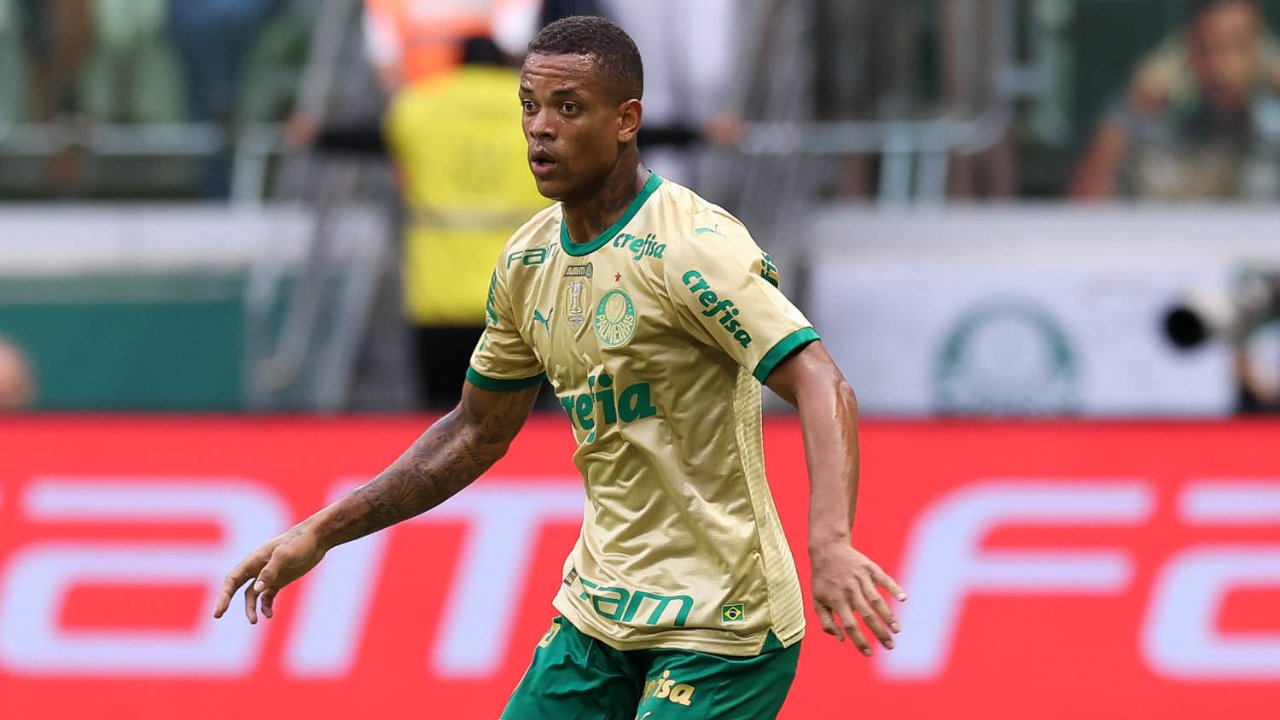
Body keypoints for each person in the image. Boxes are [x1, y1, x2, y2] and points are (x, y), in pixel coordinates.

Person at [215, 16, 904, 718]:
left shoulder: (692, 249)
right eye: (530, 106)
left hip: (722, 625)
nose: (540, 128)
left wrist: (830, 541)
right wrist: (321, 531)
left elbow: (821, 381)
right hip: (597, 616)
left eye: (568, 108)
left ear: (627, 120)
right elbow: (472, 433)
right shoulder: (527, 261)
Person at [1071, 0, 1280, 200]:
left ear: (1263, 53)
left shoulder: (1274, 144)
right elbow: (1083, 218)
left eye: (1238, 45)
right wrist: (1130, 109)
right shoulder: (1158, 149)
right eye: (1206, 48)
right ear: (1185, 55)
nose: (1220, 67)